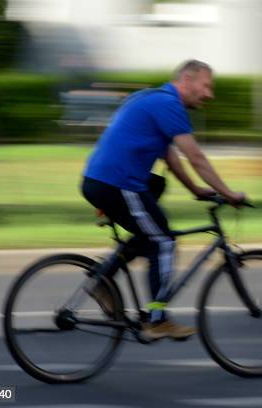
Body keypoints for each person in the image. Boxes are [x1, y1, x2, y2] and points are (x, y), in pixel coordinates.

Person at [81, 60, 246, 340]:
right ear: (186, 80)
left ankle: (102, 280)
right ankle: (157, 320)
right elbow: (196, 158)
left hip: (101, 182)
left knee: (152, 229)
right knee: (164, 242)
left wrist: (196, 189)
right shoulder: (170, 104)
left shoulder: (152, 98)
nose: (210, 94)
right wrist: (229, 193)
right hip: (119, 184)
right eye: (206, 86)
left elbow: (171, 157)